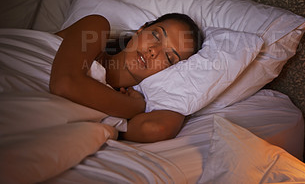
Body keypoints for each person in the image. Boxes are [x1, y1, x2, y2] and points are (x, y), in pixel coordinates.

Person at [50, 13, 203, 142]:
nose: (153, 51)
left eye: (169, 57)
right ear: (140, 31)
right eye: (156, 36)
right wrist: (136, 107)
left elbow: (155, 128)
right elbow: (64, 84)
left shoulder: (122, 104)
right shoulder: (95, 28)